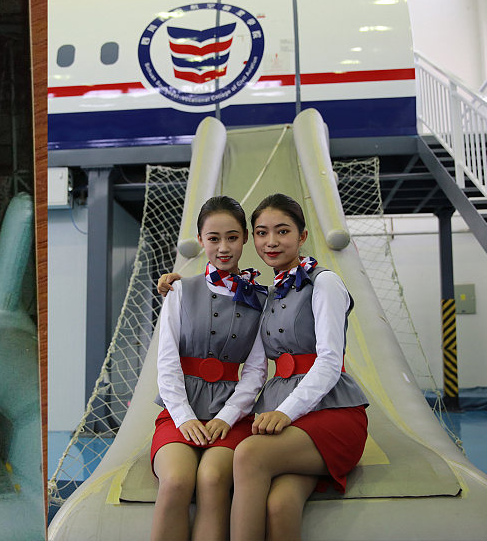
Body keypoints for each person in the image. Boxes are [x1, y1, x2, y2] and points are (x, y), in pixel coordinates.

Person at [214, 193, 368, 540]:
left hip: (331, 412)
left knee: (249, 454)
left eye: (282, 231)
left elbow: (330, 361)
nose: (271, 241)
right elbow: (253, 362)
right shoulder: (269, 294)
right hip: (281, 410)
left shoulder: (324, 282)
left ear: (302, 236)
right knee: (280, 505)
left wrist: (285, 412)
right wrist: (177, 285)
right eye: (262, 232)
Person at [151, 196, 268, 541]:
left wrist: (228, 417)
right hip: (178, 413)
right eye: (214, 238)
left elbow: (256, 371)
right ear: (201, 240)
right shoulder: (178, 290)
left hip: (231, 416)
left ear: (245, 238)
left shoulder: (261, 300)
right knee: (176, 480)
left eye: (232, 237)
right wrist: (184, 417)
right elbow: (167, 362)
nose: (223, 247)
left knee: (213, 479)